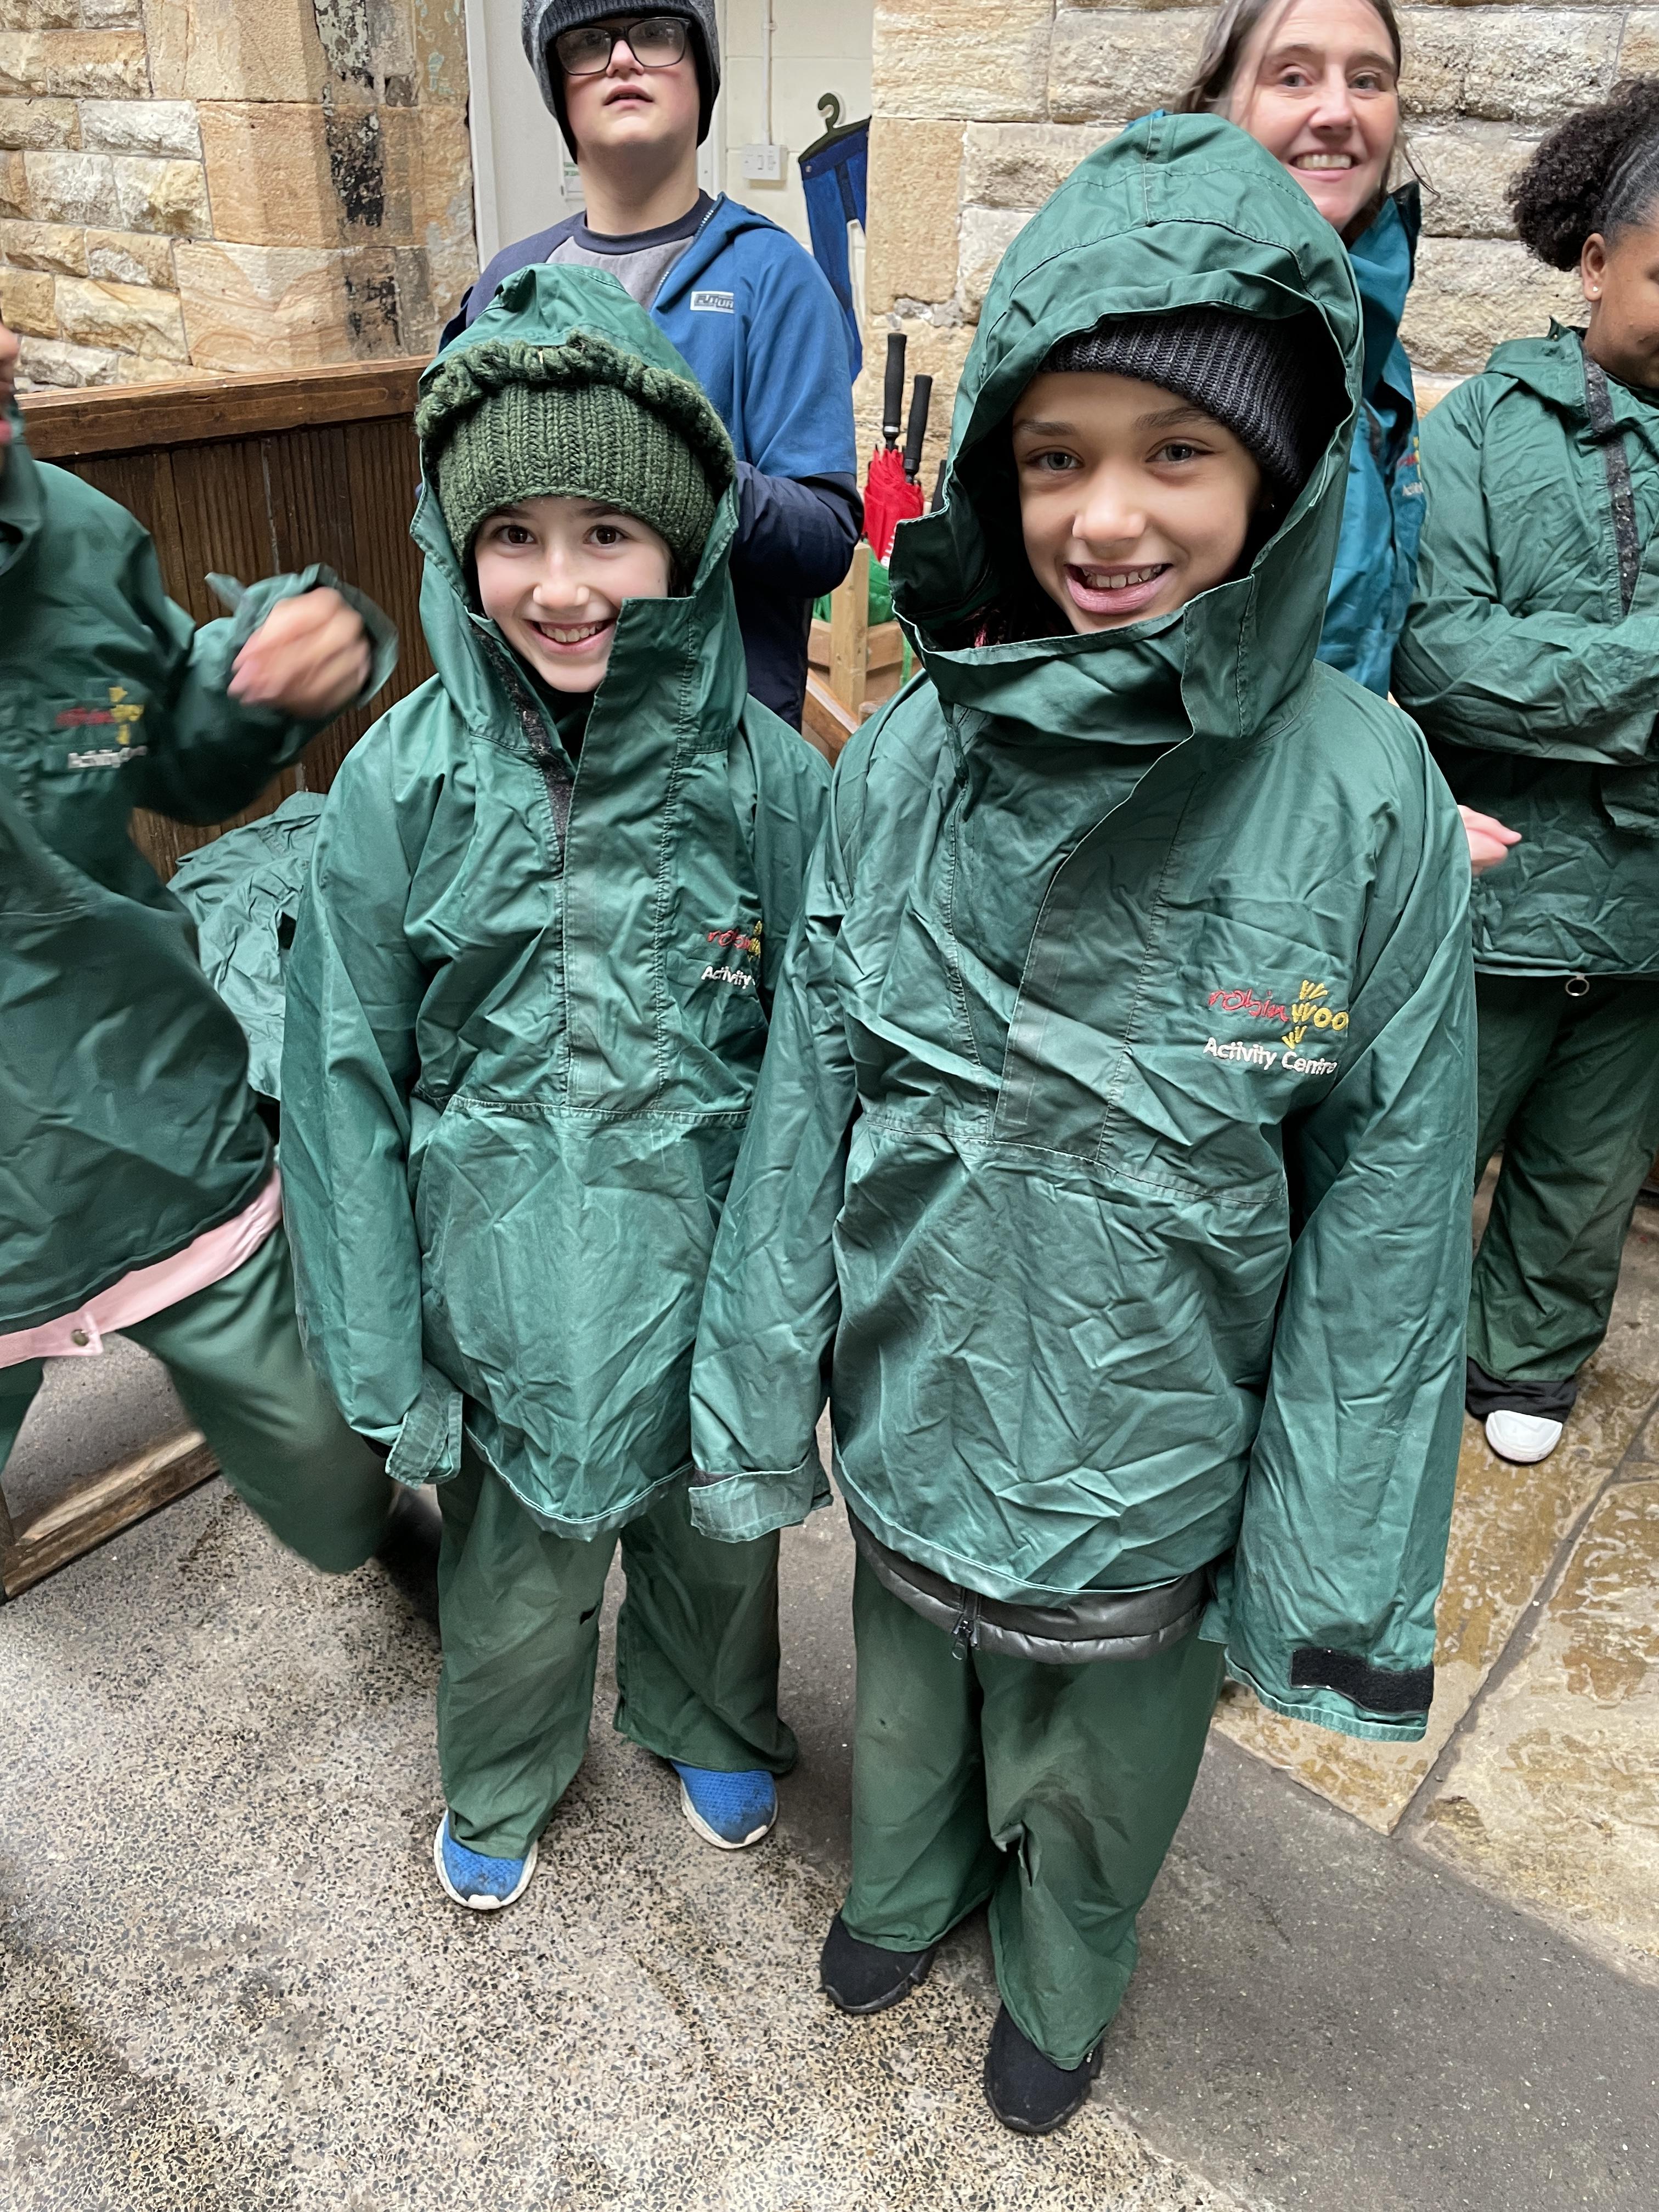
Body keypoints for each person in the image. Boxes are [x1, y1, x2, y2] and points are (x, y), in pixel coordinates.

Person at [690, 112, 1475, 2137]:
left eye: (1175, 453)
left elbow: (1388, 1217)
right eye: (1055, 457)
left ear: (1279, 475)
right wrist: (763, 1398)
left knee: (1108, 1760)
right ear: (997, 472)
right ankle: (908, 1878)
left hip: (1156, 1441)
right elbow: (809, 1096)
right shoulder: (913, 758)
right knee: (911, 1695)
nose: (1106, 517)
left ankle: (1065, 1960)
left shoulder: (1361, 794)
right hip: (921, 1380)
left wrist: (1325, 1572)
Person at [280, 266, 830, 1911]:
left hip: (706, 1259)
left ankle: (709, 1707)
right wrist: (380, 1341)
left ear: (688, 543)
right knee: (515, 1563)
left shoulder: (769, 781)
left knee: (716, 1527)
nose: (563, 582)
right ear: (459, 547)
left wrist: (790, 1311)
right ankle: (506, 1760)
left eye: (609, 532)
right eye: (513, 535)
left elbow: (818, 1067)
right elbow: (343, 1076)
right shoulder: (400, 779)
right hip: (497, 1281)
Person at [0, 317, 404, 1578]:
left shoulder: (78, 535)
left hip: (141, 1107)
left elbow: (174, 760)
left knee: (338, 1497)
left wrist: (255, 686)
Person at [1394, 80, 1659, 1467]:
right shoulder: (1481, 431)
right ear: (1597, 261)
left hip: (1649, 922)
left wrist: (1581, 678)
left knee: (1590, 1164)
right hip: (1501, 887)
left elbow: (1518, 662)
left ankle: (1530, 1360)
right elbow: (1445, 658)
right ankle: (1375, 1360)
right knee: (1426, 1153)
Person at [442, 3, 860, 731]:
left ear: (702, 75)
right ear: (557, 90)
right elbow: (450, 509)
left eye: (658, 33)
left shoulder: (774, 276)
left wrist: (676, 465)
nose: (623, 59)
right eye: (586, 42)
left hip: (715, 741)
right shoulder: (511, 282)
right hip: (536, 741)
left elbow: (823, 541)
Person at [1179, 0, 1517, 877]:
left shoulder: (1370, 345)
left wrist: (1376, 790)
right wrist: (1348, 821)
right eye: (1292, 76)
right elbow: (1116, 682)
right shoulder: (1171, 329)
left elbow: (1327, 656)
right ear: (1218, 104)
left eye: (1368, 79)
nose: (1338, 111)